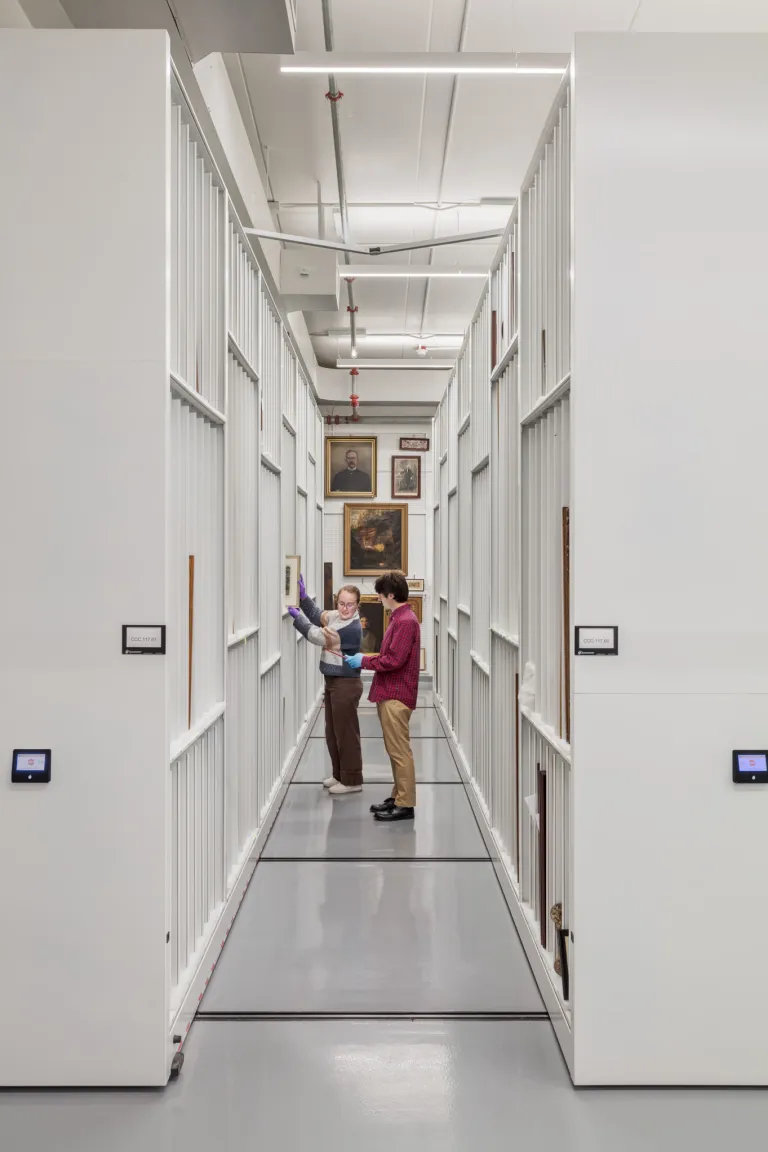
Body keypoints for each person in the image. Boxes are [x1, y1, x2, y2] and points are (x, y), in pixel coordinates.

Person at [344, 571, 420, 822]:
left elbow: (394, 660)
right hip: (390, 692)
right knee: (394, 749)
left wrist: (363, 660)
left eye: (380, 594)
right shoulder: (399, 618)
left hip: (397, 695)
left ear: (390, 595)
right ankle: (398, 796)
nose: (378, 598)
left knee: (399, 751)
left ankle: (405, 804)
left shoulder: (405, 621)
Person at [289, 575, 364, 794]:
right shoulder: (336, 617)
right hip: (333, 682)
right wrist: (303, 598)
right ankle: (340, 775)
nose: (345, 608)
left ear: (357, 605)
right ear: (337, 602)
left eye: (350, 604)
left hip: (345, 684)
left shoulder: (350, 629)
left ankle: (352, 781)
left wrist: (296, 616)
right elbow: (318, 615)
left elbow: (315, 634)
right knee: (333, 733)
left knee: (346, 734)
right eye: (341, 603)